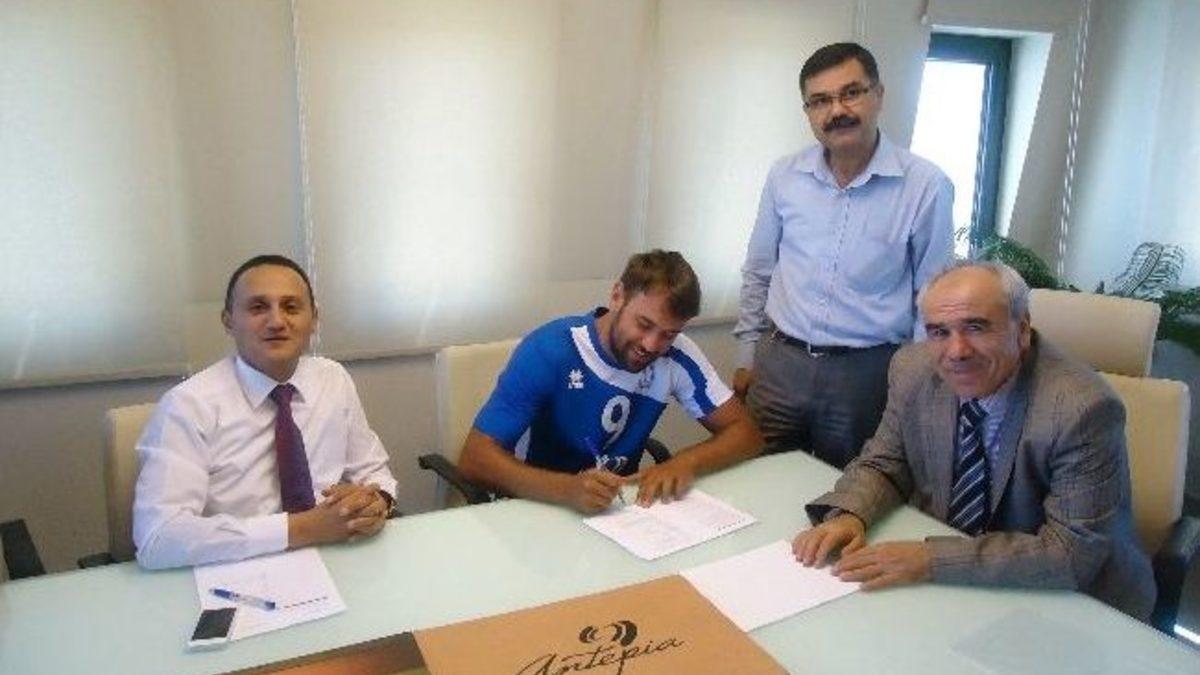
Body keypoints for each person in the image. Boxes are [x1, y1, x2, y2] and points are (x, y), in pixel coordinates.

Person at [791, 261, 1155, 619]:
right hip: (957, 586)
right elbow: (885, 462)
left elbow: (1069, 554)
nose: (956, 351)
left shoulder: (1081, 409)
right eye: (939, 332)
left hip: (1071, 601)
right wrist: (850, 514)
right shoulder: (912, 369)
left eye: (976, 327)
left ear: (1022, 331)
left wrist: (929, 559)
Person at [733, 42, 954, 468]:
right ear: (808, 112)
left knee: (851, 489)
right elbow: (759, 270)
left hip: (866, 375)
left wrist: (916, 384)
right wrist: (746, 354)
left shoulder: (926, 186)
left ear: (878, 95)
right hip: (780, 365)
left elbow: (932, 298)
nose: (837, 110)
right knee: (755, 479)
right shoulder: (785, 176)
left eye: (851, 93)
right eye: (820, 100)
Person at [132, 254, 397, 570]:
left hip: (334, 559)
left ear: (314, 319)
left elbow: (373, 470)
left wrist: (376, 502)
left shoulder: (333, 379)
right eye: (258, 307)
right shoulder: (187, 406)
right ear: (228, 321)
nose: (276, 322)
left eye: (291, 307)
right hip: (235, 569)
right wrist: (303, 528)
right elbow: (158, 538)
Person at [458, 250, 763, 514]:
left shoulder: (677, 356)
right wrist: (567, 490)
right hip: (538, 506)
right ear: (617, 296)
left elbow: (746, 434)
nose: (652, 345)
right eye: (644, 324)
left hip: (615, 511)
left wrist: (684, 462)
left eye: (669, 334)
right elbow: (474, 458)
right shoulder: (551, 349)